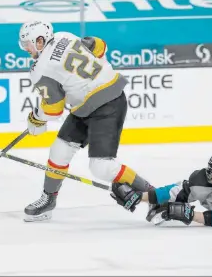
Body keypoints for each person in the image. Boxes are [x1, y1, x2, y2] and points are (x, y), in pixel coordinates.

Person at [18, 20, 155, 222]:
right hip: (85, 106)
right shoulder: (65, 35)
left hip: (107, 104)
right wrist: (94, 43)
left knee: (102, 167)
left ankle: (156, 198)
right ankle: (49, 199)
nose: (27, 50)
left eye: (28, 44)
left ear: (40, 40)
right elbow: (100, 47)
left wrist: (36, 118)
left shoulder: (40, 69)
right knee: (59, 150)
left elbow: (54, 109)